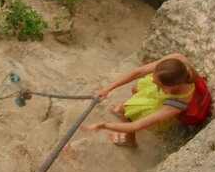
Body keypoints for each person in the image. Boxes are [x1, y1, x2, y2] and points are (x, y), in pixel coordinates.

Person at [80, 53, 208, 147]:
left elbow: (135, 125)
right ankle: (125, 111)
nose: (152, 80)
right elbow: (138, 72)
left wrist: (104, 125)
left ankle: (129, 140)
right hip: (164, 93)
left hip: (162, 103)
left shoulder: (176, 105)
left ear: (173, 87)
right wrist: (107, 89)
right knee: (136, 88)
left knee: (127, 111)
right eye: (153, 77)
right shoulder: (177, 62)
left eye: (157, 83)